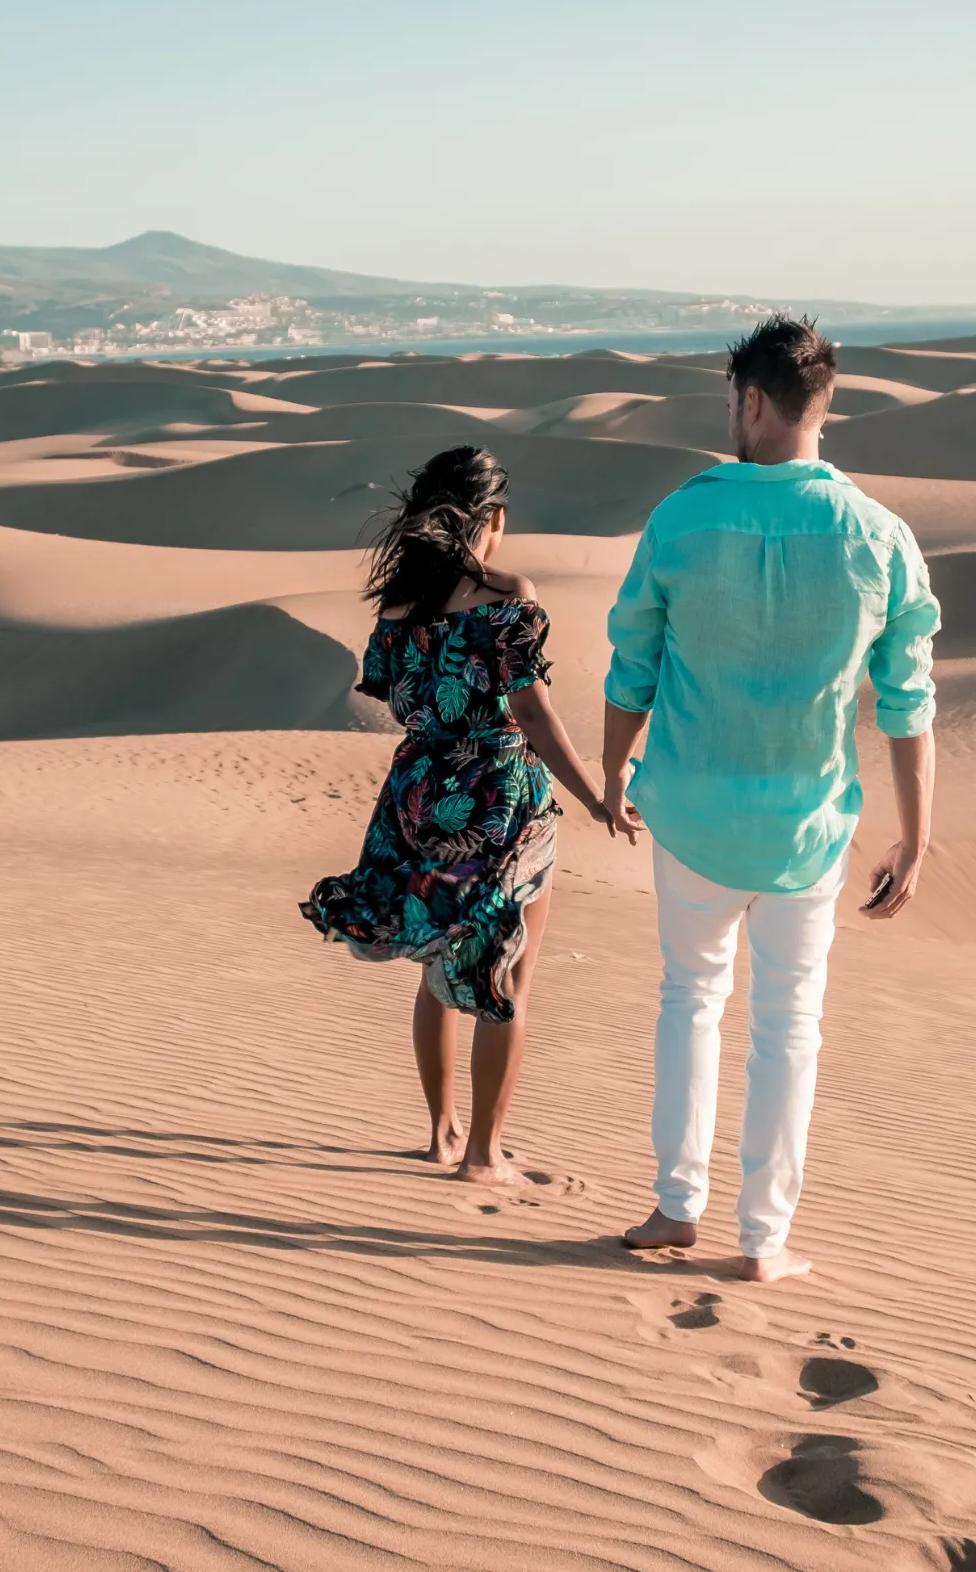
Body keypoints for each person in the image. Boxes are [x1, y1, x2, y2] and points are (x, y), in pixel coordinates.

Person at [601, 315, 940, 1280]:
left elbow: (633, 663)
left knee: (690, 999)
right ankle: (764, 1241)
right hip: (807, 826)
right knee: (789, 1024)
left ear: (752, 400)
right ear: (820, 406)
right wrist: (915, 837)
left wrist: (616, 769)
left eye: (731, 399)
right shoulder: (879, 536)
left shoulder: (681, 519)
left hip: (692, 814)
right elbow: (909, 702)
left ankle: (677, 1207)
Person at [301, 445, 621, 1186]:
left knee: (437, 968)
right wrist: (595, 795)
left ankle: (441, 1136)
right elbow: (533, 714)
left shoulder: (397, 605)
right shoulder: (506, 594)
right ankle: (484, 1156)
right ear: (493, 517)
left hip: (416, 796)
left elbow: (397, 698)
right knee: (505, 975)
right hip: (499, 797)